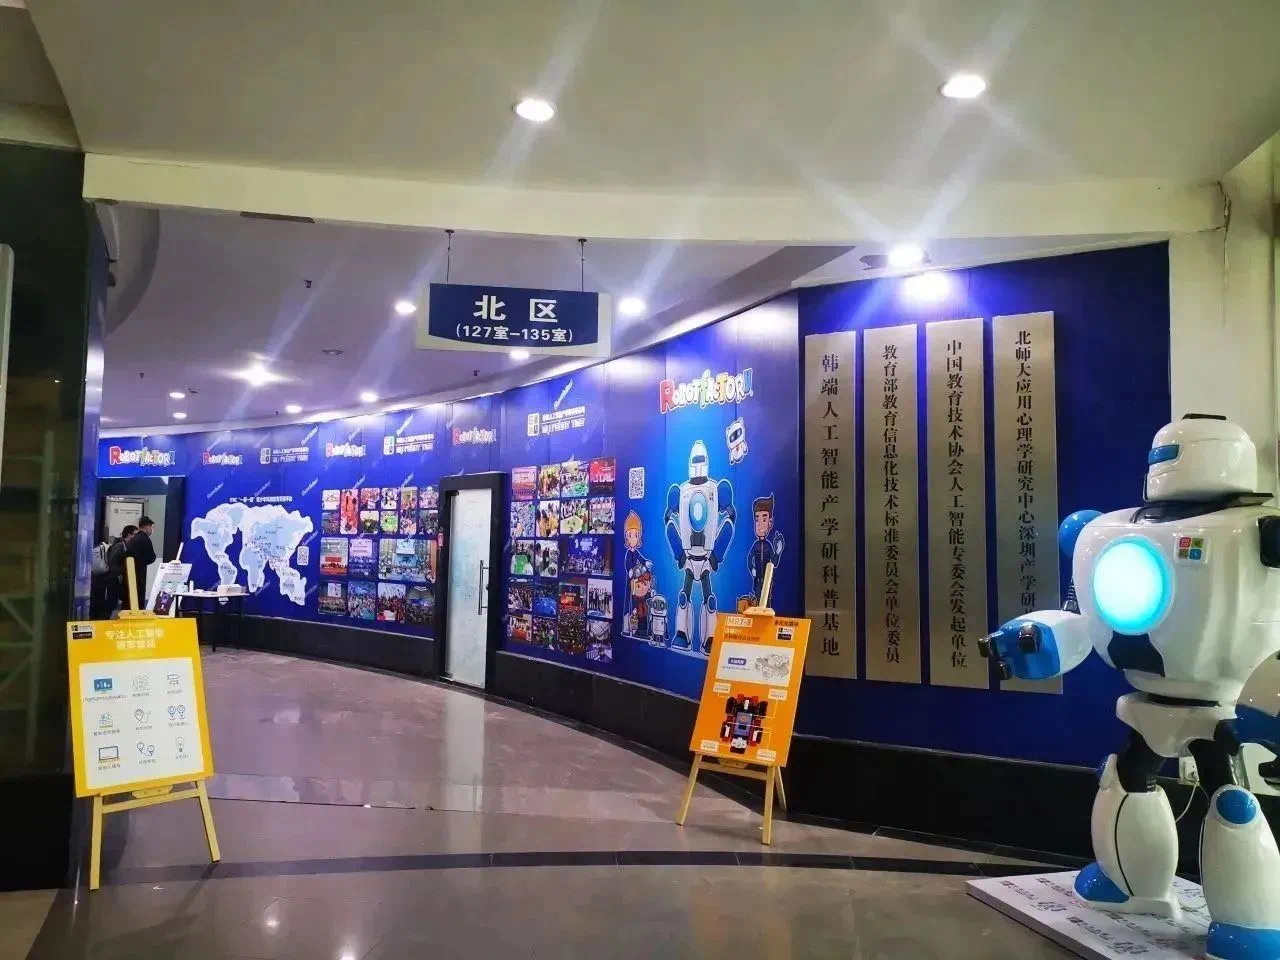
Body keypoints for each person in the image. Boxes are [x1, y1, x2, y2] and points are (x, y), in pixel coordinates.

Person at [122, 516, 157, 608]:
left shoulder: (135, 538)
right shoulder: (145, 539)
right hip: (139, 575)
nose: (152, 530)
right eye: (151, 527)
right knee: (138, 600)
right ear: (146, 527)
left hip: (129, 574)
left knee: (129, 601)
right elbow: (151, 557)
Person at [103, 525, 137, 615]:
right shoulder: (119, 545)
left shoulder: (125, 545)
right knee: (112, 601)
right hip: (113, 577)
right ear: (129, 535)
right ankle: (105, 618)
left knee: (114, 601)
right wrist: (121, 570)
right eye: (135, 534)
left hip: (116, 576)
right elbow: (112, 561)